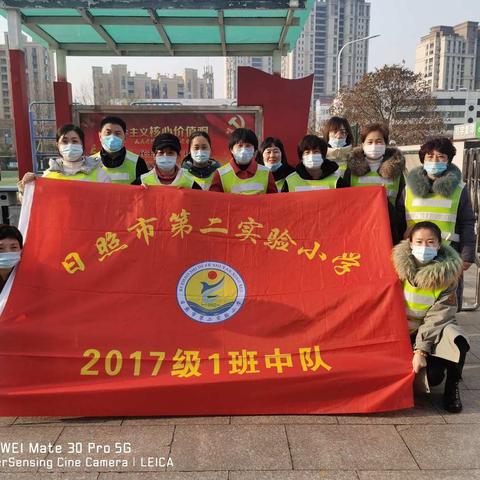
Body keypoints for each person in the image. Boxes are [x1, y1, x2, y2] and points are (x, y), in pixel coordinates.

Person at [392, 221, 470, 413]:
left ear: (439, 244)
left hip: (431, 332)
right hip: (400, 332)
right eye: (419, 242)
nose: (424, 247)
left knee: (457, 341)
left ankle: (452, 387)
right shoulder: (395, 268)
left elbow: (438, 317)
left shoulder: (448, 275)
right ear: (410, 243)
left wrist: (421, 352)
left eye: (430, 242)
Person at [403, 136, 476, 309]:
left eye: (441, 156)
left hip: (448, 254)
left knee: (445, 304)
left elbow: (467, 222)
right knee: (415, 299)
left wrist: (467, 256)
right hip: (415, 254)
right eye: (430, 156)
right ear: (423, 159)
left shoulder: (459, 189)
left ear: (449, 160)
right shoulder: (408, 188)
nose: (435, 161)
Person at [344, 123, 406, 243]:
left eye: (379, 141)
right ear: (363, 144)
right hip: (358, 228)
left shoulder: (397, 171)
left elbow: (401, 204)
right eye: (370, 142)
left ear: (385, 144)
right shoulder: (351, 171)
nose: (374, 145)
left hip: (388, 230)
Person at [18, 124, 111, 195]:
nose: (70, 145)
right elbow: (34, 205)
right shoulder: (48, 176)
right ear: (57, 145)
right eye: (65, 141)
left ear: (82, 144)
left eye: (74, 141)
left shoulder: (100, 176)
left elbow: (110, 204)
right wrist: (25, 187)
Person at [209, 128, 277, 194]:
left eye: (248, 146)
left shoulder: (266, 173)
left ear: (255, 150)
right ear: (231, 150)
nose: (243, 150)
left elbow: (274, 201)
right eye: (240, 146)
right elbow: (215, 202)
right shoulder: (221, 174)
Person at [93, 116, 149, 184]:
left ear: (125, 137)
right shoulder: (90, 162)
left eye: (117, 133)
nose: (112, 137)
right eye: (108, 133)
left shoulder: (137, 162)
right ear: (100, 136)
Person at [135, 133, 200, 188]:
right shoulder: (142, 180)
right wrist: (138, 192)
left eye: (170, 153)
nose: (165, 156)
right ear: (154, 156)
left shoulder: (189, 183)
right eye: (161, 152)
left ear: (178, 156)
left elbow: (202, 201)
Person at [0, 224, 22, 293]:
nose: (8, 252)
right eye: (0, 248)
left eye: (14, 247)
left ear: (21, 249)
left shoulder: (31, 276)